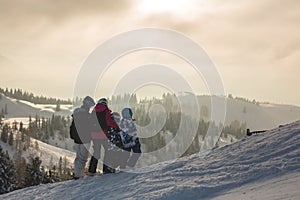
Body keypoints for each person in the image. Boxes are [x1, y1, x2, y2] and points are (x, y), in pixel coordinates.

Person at [88, 98, 120, 175]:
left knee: (96, 153)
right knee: (107, 152)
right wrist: (117, 127)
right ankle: (106, 170)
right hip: (103, 134)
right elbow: (109, 122)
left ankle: (91, 171)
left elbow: (90, 122)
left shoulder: (94, 111)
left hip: (94, 135)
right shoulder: (106, 110)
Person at [70, 96, 95, 179]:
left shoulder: (77, 113)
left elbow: (73, 126)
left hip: (77, 138)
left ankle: (77, 173)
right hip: (85, 139)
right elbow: (89, 127)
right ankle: (79, 175)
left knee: (78, 157)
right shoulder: (86, 115)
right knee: (83, 158)